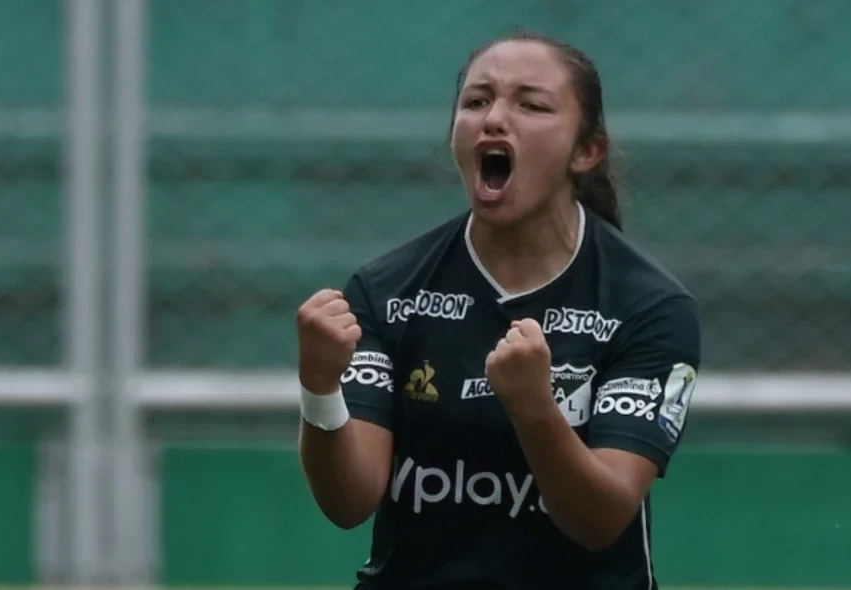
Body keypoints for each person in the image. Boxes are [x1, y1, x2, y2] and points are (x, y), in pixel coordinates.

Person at [295, 30, 701, 590]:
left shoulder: (648, 306)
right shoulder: (386, 290)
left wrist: (534, 408)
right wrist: (318, 387)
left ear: (587, 151)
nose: (494, 119)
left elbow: (601, 519)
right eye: (476, 101)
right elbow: (348, 502)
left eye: (531, 105)